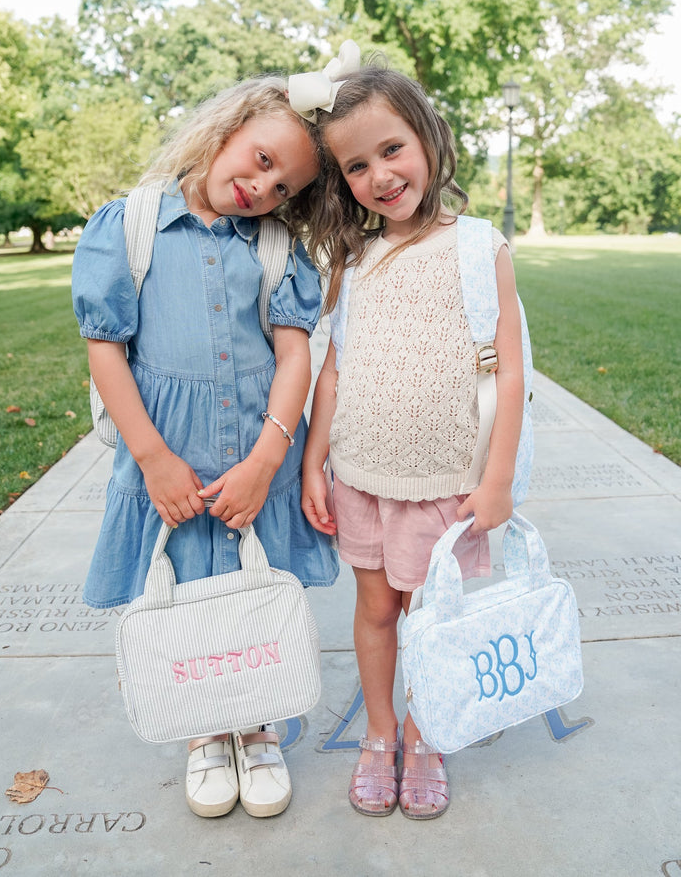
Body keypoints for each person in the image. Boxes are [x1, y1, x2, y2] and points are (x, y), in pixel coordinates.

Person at [72, 75, 338, 821]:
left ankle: (258, 728)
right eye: (258, 160)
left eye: (282, 185)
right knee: (186, 595)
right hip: (172, 457)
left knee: (255, 594)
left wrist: (266, 460)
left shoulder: (278, 246)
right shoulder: (129, 226)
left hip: (256, 454)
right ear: (225, 128)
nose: (260, 186)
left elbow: (294, 356)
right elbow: (106, 352)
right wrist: (154, 458)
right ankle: (202, 732)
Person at [294, 54, 525, 820]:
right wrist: (312, 464)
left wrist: (495, 480)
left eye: (391, 149)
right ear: (341, 180)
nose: (380, 176)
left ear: (426, 137)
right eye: (356, 166)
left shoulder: (478, 247)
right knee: (376, 610)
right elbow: (331, 372)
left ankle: (426, 734)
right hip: (361, 474)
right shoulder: (353, 259)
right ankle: (380, 733)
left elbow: (511, 373)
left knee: (434, 616)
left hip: (447, 483)